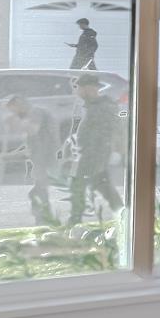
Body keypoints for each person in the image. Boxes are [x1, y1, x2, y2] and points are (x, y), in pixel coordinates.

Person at [68, 74, 124, 224]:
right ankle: (123, 214)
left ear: (89, 88)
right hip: (89, 152)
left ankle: (75, 219)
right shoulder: (92, 106)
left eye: (79, 88)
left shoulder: (103, 107)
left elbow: (111, 131)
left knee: (79, 184)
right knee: (101, 185)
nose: (77, 92)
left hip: (95, 153)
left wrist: (110, 152)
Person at [2, 92, 57, 225]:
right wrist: (9, 156)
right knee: (38, 192)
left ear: (18, 104)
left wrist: (15, 122)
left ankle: (44, 220)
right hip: (40, 158)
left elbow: (33, 129)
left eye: (12, 110)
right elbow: (29, 148)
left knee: (38, 192)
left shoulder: (36, 112)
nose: (12, 113)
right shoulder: (31, 116)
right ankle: (44, 220)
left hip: (46, 158)